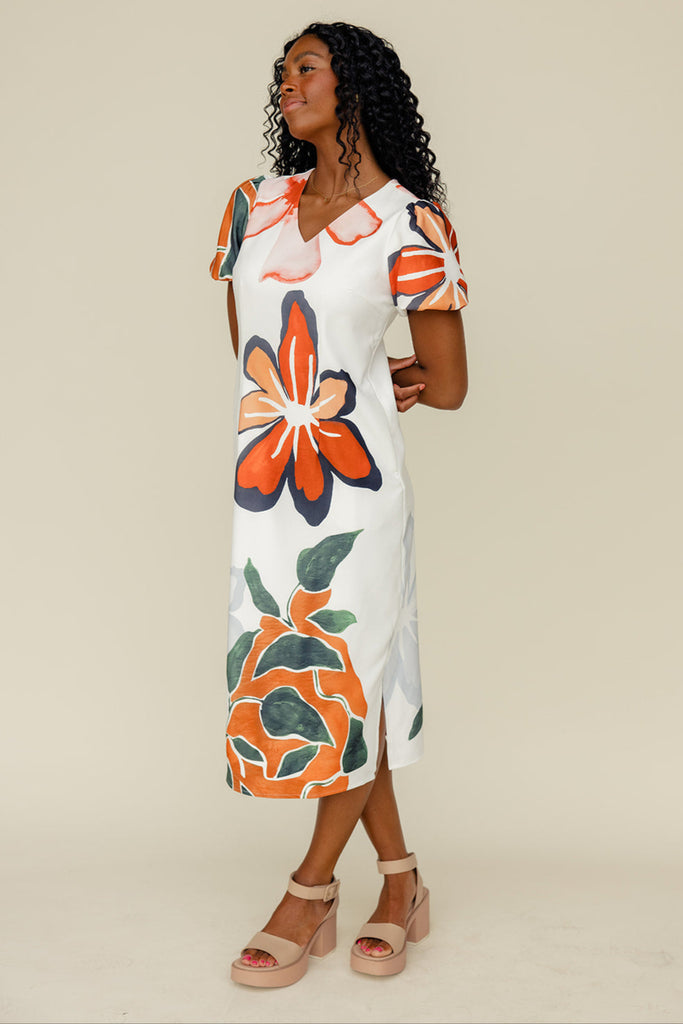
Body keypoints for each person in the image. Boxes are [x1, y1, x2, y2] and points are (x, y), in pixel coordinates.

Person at [209, 20, 469, 987]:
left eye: (307, 69)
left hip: (353, 491)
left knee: (346, 675)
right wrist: (331, 374)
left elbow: (447, 385)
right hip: (268, 477)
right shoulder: (252, 207)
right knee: (345, 681)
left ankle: (308, 890)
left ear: (353, 86)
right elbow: (253, 352)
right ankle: (401, 882)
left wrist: (367, 378)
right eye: (282, 73)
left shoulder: (411, 224)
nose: (288, 84)